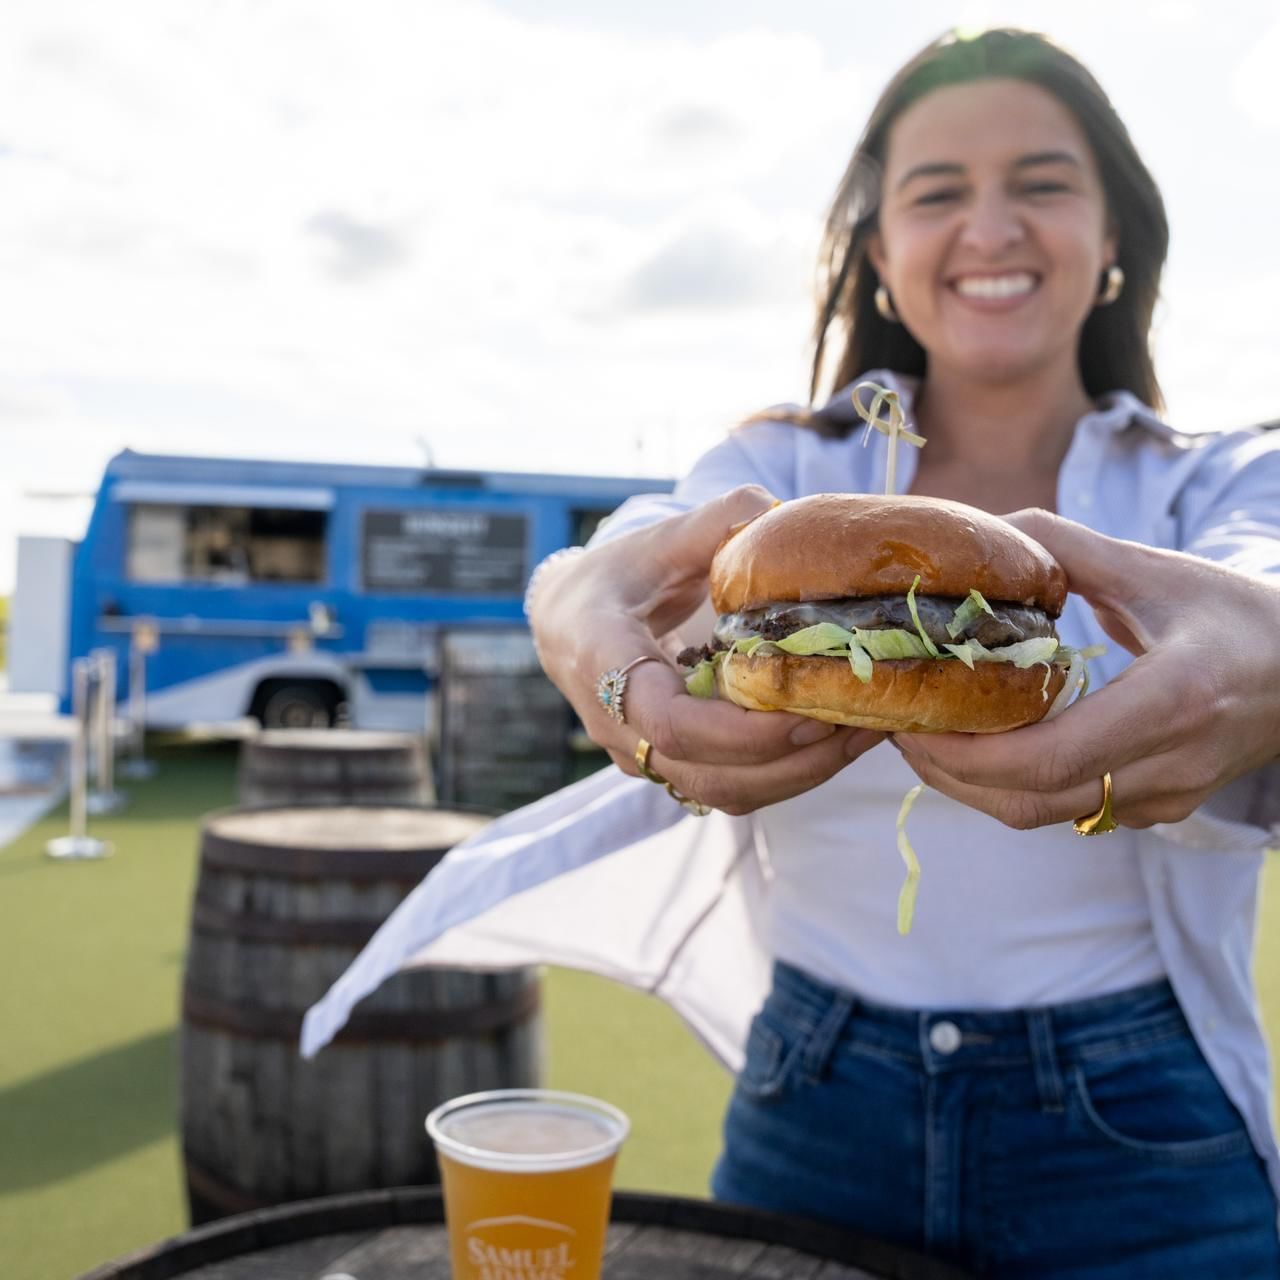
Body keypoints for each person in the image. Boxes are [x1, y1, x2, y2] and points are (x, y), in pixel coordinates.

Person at [303, 28, 1280, 1276]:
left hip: (1142, 1116)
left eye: (1040, 183)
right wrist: (578, 604)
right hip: (815, 1087)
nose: (988, 227)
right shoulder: (784, 464)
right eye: (936, 193)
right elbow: (630, 555)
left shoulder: (1214, 474)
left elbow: (1264, 566)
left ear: (1112, 245)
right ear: (880, 256)